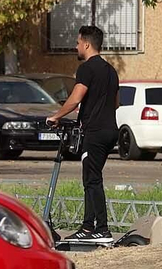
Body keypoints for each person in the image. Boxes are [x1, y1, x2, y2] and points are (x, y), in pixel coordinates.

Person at [46, 24, 119, 244]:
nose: (76, 46)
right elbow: (116, 103)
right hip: (109, 131)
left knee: (92, 179)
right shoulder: (111, 70)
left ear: (86, 44)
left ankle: (101, 229)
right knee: (91, 177)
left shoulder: (87, 69)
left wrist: (56, 116)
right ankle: (88, 227)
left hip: (95, 133)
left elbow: (76, 98)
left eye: (78, 42)